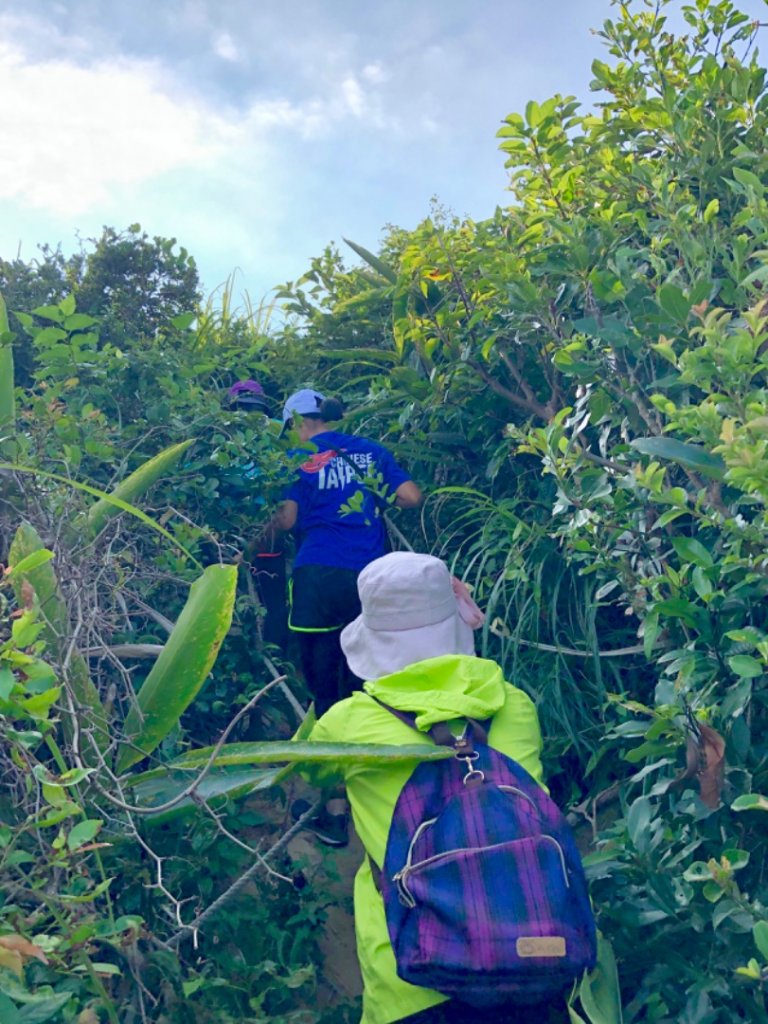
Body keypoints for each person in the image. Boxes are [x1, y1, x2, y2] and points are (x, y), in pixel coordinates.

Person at [304, 552, 564, 1024]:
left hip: (413, 977)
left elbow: (310, 771)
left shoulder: (347, 725)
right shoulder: (516, 706)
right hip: (536, 956)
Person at [264, 388, 423, 716]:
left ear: (297, 422)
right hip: (369, 575)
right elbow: (411, 496)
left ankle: (326, 735)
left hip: (317, 573)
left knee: (321, 677)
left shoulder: (295, 458)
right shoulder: (371, 451)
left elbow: (287, 518)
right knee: (365, 669)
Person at [224, 379, 289, 652]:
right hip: (248, 535)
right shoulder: (272, 438)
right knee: (263, 603)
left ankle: (266, 658)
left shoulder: (269, 442)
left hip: (255, 536)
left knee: (266, 604)